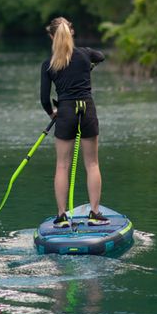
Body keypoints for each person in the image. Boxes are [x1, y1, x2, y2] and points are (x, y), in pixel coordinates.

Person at [39, 16, 108, 227]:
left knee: (62, 166)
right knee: (92, 164)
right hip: (87, 110)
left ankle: (61, 217)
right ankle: (95, 214)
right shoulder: (86, 54)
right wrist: (89, 64)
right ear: (71, 33)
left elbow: (44, 99)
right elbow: (101, 56)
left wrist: (53, 113)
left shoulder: (49, 65)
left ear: (52, 36)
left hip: (66, 112)